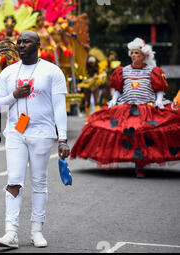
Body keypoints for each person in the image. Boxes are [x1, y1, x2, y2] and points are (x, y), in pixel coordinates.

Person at [0, 30, 70, 248]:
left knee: (39, 182)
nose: (21, 45)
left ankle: (37, 230)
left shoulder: (52, 71)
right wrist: (13, 96)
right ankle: (11, 232)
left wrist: (62, 139)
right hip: (16, 132)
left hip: (42, 133)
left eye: (26, 41)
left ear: (38, 44)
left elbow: (59, 107)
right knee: (13, 180)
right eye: (19, 42)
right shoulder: (8, 73)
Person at [70, 38, 180, 178]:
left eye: (137, 53)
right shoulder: (123, 71)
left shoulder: (153, 71)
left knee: (142, 133)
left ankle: (140, 164)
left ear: (144, 55)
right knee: (117, 130)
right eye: (132, 53)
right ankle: (125, 157)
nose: (133, 55)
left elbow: (159, 88)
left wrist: (159, 101)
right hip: (126, 105)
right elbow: (118, 88)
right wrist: (114, 100)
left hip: (147, 106)